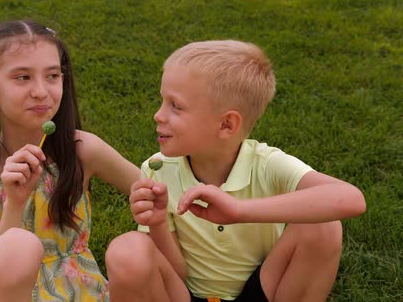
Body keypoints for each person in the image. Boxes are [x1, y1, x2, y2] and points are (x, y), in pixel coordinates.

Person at [105, 40, 366, 302]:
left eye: (176, 106)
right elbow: (177, 273)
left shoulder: (266, 164)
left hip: (262, 287)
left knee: (324, 226)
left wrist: (239, 211)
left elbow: (350, 198)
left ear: (227, 124)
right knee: (127, 250)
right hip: (186, 294)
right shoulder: (156, 170)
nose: (158, 115)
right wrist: (158, 222)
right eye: (162, 101)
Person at [0, 19, 139, 302]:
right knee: (16, 248)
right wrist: (15, 202)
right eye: (23, 77)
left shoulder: (81, 149)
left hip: (75, 290)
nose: (41, 91)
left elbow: (148, 189)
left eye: (52, 76)